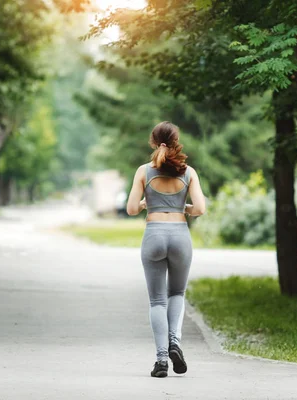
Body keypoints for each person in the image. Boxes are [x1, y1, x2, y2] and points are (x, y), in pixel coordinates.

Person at [126, 121, 206, 378]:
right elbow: (200, 209)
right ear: (176, 141)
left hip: (154, 235)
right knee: (177, 294)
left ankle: (161, 359)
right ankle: (175, 343)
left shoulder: (143, 171)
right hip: (180, 236)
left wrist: (144, 203)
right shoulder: (188, 172)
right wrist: (183, 208)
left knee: (157, 300)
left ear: (153, 141)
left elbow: (130, 209)